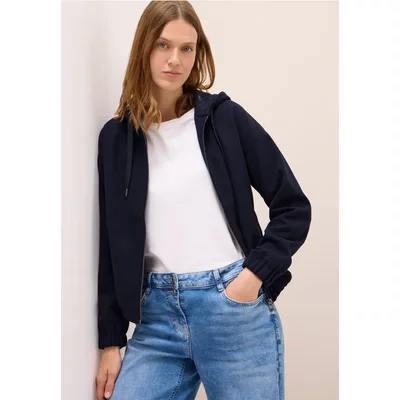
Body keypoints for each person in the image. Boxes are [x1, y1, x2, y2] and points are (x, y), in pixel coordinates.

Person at [95, 1, 312, 399]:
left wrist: (252, 277)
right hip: (156, 318)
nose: (175, 59)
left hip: (232, 310)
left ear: (198, 53)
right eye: (163, 45)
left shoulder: (224, 119)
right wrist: (110, 341)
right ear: (143, 47)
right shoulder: (117, 139)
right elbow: (110, 244)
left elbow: (293, 206)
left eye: (187, 48)